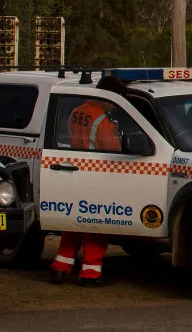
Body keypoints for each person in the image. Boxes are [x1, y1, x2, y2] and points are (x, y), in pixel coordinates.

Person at [50, 74, 130, 287]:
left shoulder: (77, 111)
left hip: (76, 172)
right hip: (98, 175)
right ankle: (91, 273)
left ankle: (61, 267)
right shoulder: (102, 119)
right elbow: (114, 148)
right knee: (96, 226)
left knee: (73, 224)